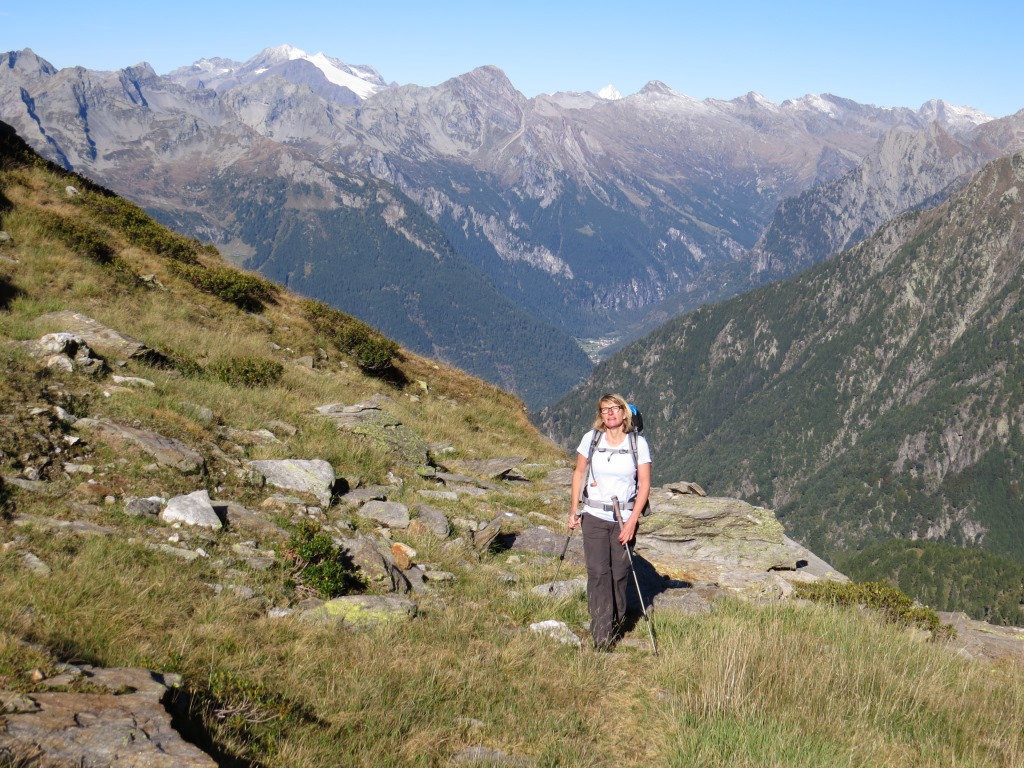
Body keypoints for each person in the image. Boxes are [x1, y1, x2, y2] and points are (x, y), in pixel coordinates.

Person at [569, 393, 651, 650]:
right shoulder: (591, 439)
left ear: (624, 413)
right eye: (605, 410)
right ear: (600, 415)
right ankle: (601, 634)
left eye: (615, 409)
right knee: (597, 573)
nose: (610, 414)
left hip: (624, 518)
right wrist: (574, 510)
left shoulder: (638, 443)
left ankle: (616, 620)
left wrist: (632, 522)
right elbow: (579, 472)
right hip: (593, 515)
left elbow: (645, 484)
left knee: (618, 574)